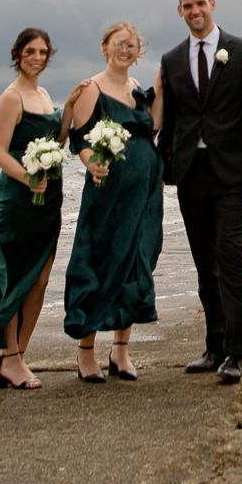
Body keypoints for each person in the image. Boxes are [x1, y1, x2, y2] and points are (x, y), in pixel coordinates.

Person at [153, 0, 242, 384]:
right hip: (190, 174)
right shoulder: (170, 59)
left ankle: (237, 353)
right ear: (180, 11)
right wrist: (161, 169)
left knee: (232, 258)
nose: (195, 10)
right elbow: (171, 122)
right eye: (187, 6)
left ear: (213, 4)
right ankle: (214, 345)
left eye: (201, 3)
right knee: (205, 263)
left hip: (234, 172)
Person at [61, 22, 163, 384]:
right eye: (118, 44)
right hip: (108, 191)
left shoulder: (137, 88)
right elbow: (80, 138)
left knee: (137, 259)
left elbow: (151, 129)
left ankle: (120, 351)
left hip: (144, 191)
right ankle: (85, 353)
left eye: (131, 45)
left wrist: (162, 88)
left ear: (139, 52)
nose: (125, 50)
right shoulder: (92, 88)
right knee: (99, 259)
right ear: (105, 48)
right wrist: (91, 163)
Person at [0, 28, 64, 388]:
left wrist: (70, 109)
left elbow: (58, 139)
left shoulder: (44, 94)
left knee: (39, 280)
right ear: (18, 55)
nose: (37, 57)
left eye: (42, 51)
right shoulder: (11, 97)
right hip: (17, 202)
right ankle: (10, 357)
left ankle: (18, 356)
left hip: (47, 202)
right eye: (29, 51)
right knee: (13, 282)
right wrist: (27, 178)